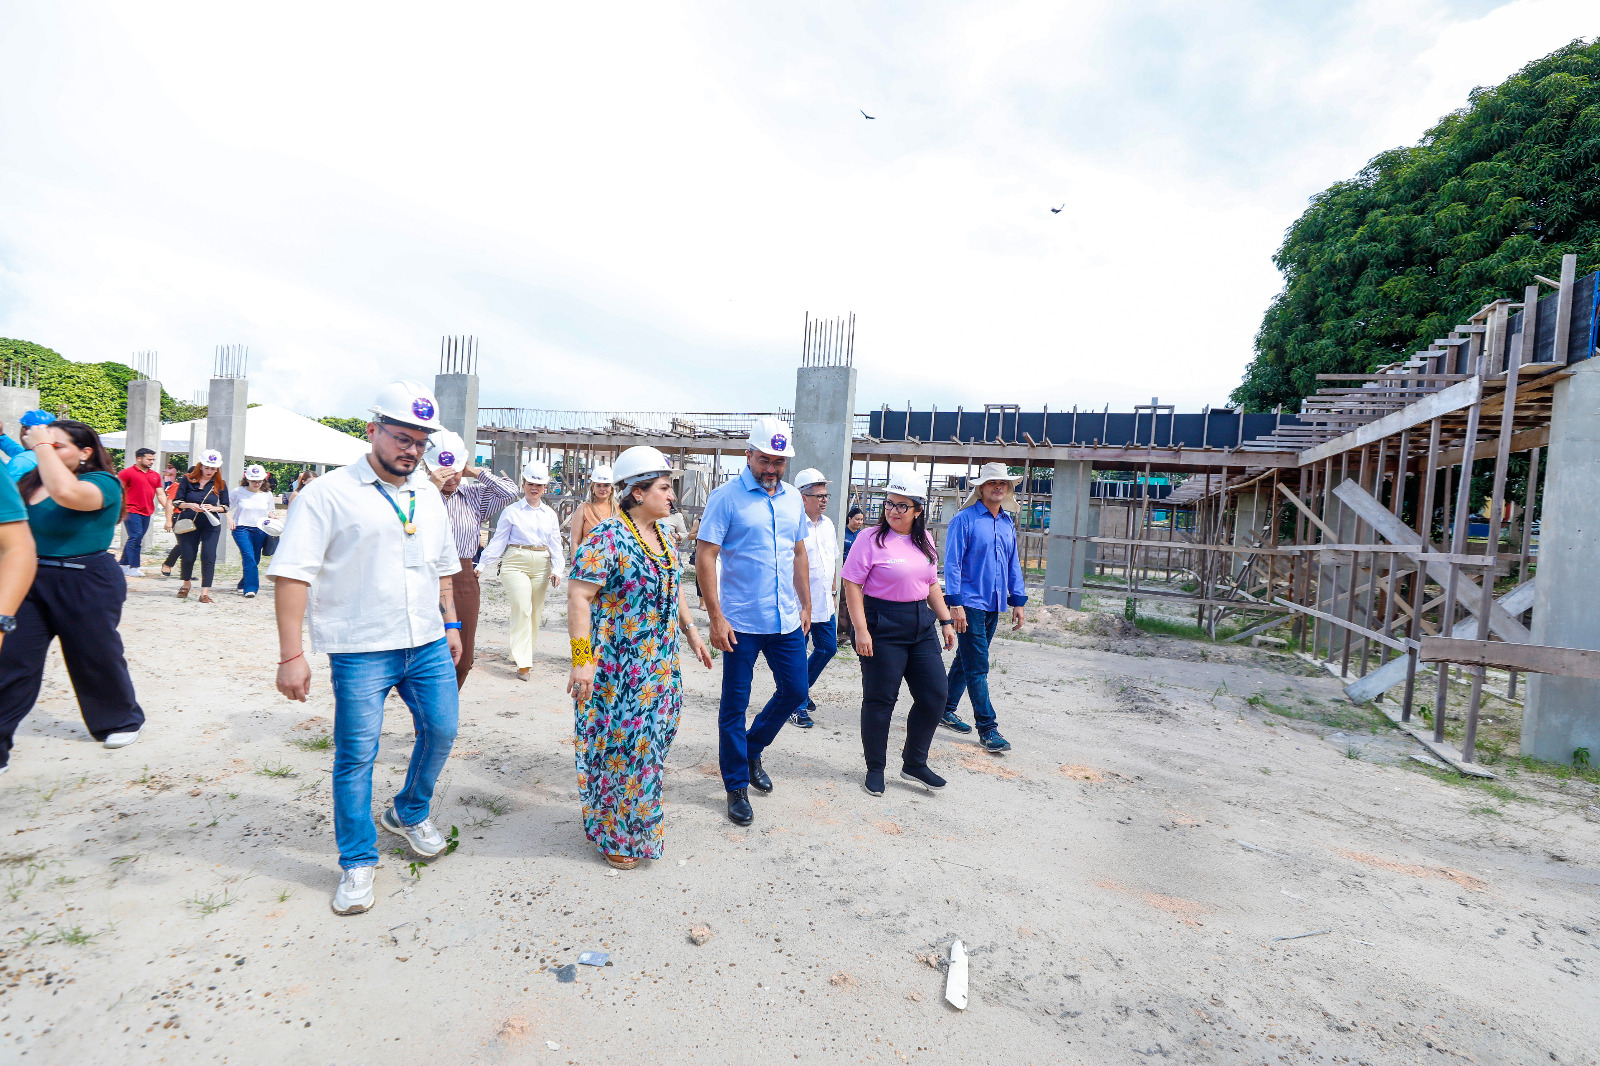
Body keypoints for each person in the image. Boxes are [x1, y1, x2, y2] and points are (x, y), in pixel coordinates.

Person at [268, 380, 463, 916]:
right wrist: (291, 655)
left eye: (421, 442)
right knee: (357, 755)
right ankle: (357, 861)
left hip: (424, 640)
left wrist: (451, 625)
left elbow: (443, 566)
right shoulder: (325, 495)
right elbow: (291, 576)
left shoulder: (426, 492)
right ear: (373, 430)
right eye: (403, 437)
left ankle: (408, 811)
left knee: (443, 728)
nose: (412, 450)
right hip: (361, 648)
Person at [566, 446, 713, 869]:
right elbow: (579, 595)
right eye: (665, 488)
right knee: (624, 749)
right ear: (636, 492)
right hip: (618, 668)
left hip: (660, 663)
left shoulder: (666, 537)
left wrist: (690, 631)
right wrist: (581, 660)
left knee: (652, 746)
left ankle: (635, 823)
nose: (672, 497)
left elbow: (676, 586)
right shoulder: (607, 537)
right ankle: (620, 833)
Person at [0, 419, 143, 772]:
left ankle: (119, 720)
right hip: (31, 578)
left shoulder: (102, 483)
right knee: (12, 660)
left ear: (85, 452)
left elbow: (67, 494)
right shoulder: (30, 482)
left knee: (94, 654)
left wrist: (41, 446)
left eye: (57, 444)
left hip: (86, 580)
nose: (46, 448)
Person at [694, 416, 810, 827]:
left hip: (785, 620)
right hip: (740, 620)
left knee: (796, 691)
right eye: (765, 459)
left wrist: (807, 605)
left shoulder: (793, 498)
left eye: (779, 462)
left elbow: (798, 553)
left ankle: (751, 748)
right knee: (734, 707)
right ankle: (736, 785)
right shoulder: (726, 498)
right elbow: (705, 556)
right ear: (749, 455)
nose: (771, 468)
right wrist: (715, 617)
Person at [841, 471, 955, 797]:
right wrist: (859, 630)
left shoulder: (925, 540)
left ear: (919, 510)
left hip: (921, 623)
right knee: (880, 700)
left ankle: (914, 762)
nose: (893, 510)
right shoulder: (870, 539)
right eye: (889, 503)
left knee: (935, 696)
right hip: (882, 623)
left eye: (902, 506)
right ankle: (875, 768)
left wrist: (945, 620)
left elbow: (930, 583)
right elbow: (852, 584)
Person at [940, 462, 1028, 753]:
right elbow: (951, 563)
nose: (998, 487)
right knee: (978, 666)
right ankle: (988, 728)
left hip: (995, 602)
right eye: (992, 483)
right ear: (981, 487)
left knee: (967, 661)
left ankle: (944, 708)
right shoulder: (963, 520)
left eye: (1003, 483)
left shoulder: (1006, 523)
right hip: (969, 603)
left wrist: (1017, 600)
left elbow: (1013, 563)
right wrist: (954, 604)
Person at [426, 430, 516, 688]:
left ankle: (447, 707)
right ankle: (430, 712)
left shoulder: (474, 496)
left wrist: (473, 471)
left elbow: (510, 492)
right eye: (443, 471)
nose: (450, 477)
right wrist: (432, 487)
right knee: (426, 653)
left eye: (454, 470)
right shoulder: (418, 496)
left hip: (462, 575)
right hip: (425, 576)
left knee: (462, 657)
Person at [478, 459, 564, 681]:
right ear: (523, 484)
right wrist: (482, 564)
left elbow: (555, 545)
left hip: (542, 564)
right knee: (523, 608)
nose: (534, 488)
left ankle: (521, 651)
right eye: (530, 484)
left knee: (535, 614)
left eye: (539, 485)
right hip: (515, 562)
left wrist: (558, 569)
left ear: (545, 488)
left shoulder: (550, 515)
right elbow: (498, 541)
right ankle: (524, 663)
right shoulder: (511, 511)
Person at [788, 468, 838, 730]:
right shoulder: (793, 526)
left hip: (823, 602)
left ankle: (800, 692)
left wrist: (831, 593)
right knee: (796, 655)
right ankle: (795, 706)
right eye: (818, 495)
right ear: (802, 497)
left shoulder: (828, 525)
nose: (824, 499)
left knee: (828, 647)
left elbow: (831, 563)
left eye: (825, 495)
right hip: (798, 604)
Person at [168, 449, 228, 603]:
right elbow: (177, 501)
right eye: (207, 467)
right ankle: (186, 583)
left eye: (213, 468)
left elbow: (226, 506)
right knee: (188, 555)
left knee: (209, 556)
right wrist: (190, 505)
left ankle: (204, 593)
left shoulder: (220, 484)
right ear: (201, 466)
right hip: (189, 522)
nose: (210, 471)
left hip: (210, 523)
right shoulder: (187, 479)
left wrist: (215, 508)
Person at [117, 447, 168, 575]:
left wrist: (169, 507)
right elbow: (117, 491)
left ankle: (123, 565)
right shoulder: (126, 473)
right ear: (139, 458)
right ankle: (134, 567)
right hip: (130, 510)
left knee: (136, 538)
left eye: (153, 459)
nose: (151, 462)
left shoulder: (155, 475)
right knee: (135, 537)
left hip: (147, 511)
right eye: (149, 459)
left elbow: (160, 494)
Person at [229, 464, 275, 598]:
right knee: (248, 556)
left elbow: (270, 511)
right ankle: (251, 588)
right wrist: (229, 519)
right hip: (241, 528)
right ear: (247, 479)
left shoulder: (267, 494)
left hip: (261, 529)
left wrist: (274, 518)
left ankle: (243, 583)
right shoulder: (238, 491)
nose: (257, 483)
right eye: (254, 480)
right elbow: (226, 506)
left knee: (255, 559)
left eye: (259, 481)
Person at [838, 507, 867, 646]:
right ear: (849, 518)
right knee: (844, 601)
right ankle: (841, 633)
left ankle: (852, 632)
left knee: (857, 602)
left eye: (861, 520)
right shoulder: (842, 533)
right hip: (842, 571)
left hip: (857, 574)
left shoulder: (861, 536)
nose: (859, 522)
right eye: (857, 519)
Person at [568, 464, 615, 548]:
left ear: (611, 488)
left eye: (606, 485)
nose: (602, 489)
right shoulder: (583, 509)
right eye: (598, 485)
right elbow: (575, 542)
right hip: (588, 559)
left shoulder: (619, 509)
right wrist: (574, 560)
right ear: (593, 488)